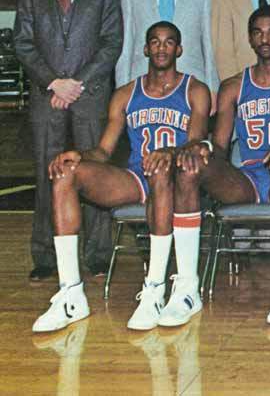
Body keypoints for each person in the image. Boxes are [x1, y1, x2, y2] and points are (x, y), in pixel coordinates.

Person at [32, 22, 211, 332]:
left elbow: (194, 145)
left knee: (162, 168)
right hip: (135, 177)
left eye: (169, 42)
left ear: (179, 50)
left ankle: (154, 287)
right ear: (145, 49)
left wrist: (167, 152)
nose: (161, 48)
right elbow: (104, 150)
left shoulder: (195, 90)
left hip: (177, 179)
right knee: (65, 174)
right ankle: (71, 293)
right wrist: (79, 155)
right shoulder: (126, 93)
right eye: (154, 42)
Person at [173, 6, 270, 325]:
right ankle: (186, 286)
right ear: (250, 39)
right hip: (248, 178)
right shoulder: (233, 85)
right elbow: (222, 147)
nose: (264, 38)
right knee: (189, 165)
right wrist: (203, 148)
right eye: (257, 32)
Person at [14, 0, 122, 281]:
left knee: (94, 171)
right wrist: (53, 83)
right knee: (47, 172)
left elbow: (111, 43)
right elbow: (23, 43)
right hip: (48, 96)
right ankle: (45, 255)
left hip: (89, 94)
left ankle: (97, 253)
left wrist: (76, 83)